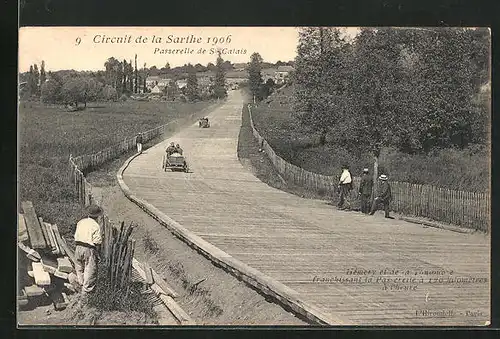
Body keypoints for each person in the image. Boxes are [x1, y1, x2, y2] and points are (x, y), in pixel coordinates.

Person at [74, 204, 103, 297]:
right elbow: (97, 242)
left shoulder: (81, 222)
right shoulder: (95, 225)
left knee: (79, 267)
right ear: (97, 216)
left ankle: (79, 286)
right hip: (88, 248)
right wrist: (97, 253)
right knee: (90, 271)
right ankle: (86, 295)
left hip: (78, 247)